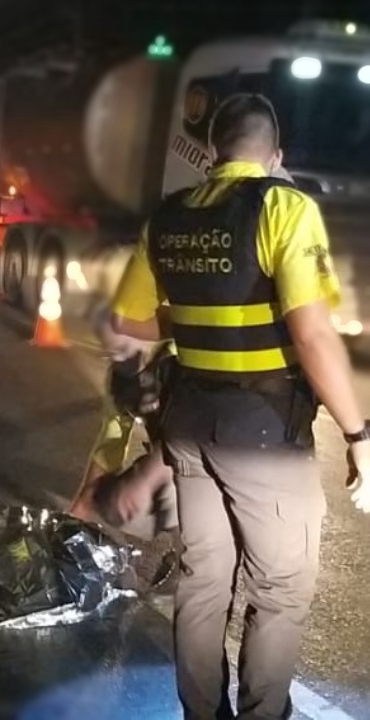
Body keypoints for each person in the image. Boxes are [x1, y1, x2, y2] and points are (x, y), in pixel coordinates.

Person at [110, 93, 370, 718]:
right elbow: (311, 334)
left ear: (210, 153)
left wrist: (208, 322)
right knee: (280, 590)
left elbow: (128, 319)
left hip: (190, 429)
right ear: (275, 156)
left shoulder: (167, 217)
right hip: (263, 437)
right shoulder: (283, 207)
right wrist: (360, 434)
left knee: (203, 584)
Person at [69, 305, 178, 541]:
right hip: (173, 450)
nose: (119, 358)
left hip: (224, 452)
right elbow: (113, 438)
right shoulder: (123, 382)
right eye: (112, 352)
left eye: (123, 347)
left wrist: (146, 479)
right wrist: (84, 502)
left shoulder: (179, 366)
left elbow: (197, 438)